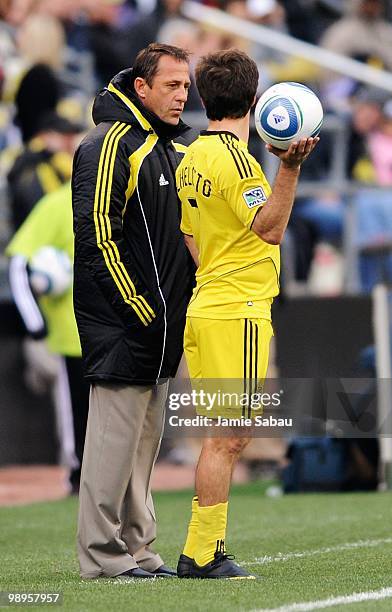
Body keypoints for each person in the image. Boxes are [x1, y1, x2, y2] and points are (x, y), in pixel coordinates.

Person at [176, 48, 318, 578]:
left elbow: (189, 233)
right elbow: (271, 227)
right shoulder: (240, 160)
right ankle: (202, 553)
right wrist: (289, 166)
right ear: (255, 101)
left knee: (222, 434)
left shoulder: (191, 156)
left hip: (208, 302)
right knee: (229, 437)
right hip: (237, 309)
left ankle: (199, 548)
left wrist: (216, 269)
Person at [72, 43, 195, 579]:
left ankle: (138, 549)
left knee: (142, 452)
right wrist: (137, 306)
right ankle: (102, 556)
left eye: (186, 86)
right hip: (125, 325)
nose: (181, 95)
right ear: (141, 88)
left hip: (160, 329)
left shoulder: (167, 147)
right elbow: (97, 233)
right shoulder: (109, 143)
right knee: (110, 450)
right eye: (171, 85)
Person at [6, 182, 89, 494]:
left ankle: (111, 479)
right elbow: (18, 261)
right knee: (76, 412)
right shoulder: (58, 203)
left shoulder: (121, 197)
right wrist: (34, 322)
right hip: (71, 334)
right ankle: (77, 475)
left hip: (115, 331)